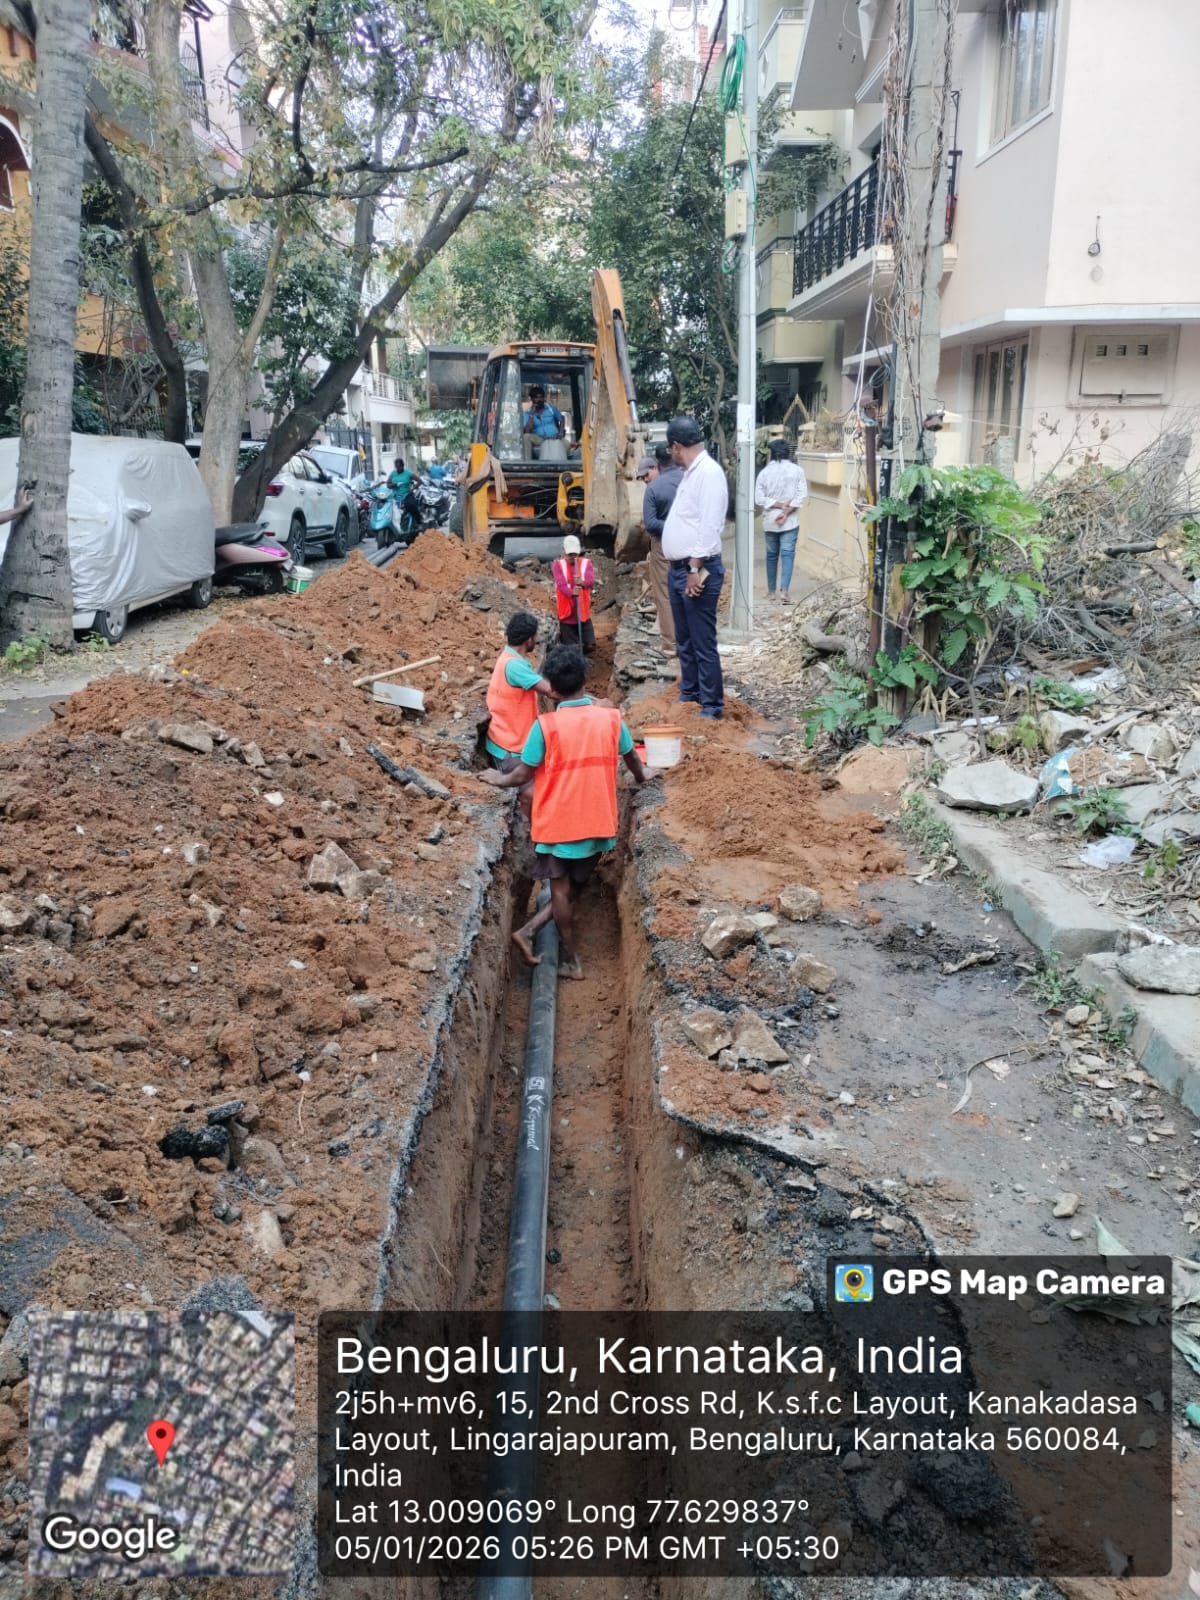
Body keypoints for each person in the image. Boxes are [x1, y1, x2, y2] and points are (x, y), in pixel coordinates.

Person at [478, 645, 651, 979]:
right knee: (575, 886)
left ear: (552, 689)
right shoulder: (611, 719)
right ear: (585, 679)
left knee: (560, 890)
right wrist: (646, 776)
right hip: (598, 823)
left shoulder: (545, 727)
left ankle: (569, 958)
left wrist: (495, 777)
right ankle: (532, 933)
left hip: (557, 826)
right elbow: (632, 759)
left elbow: (520, 775)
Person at [661, 414, 728, 720]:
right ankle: (691, 693)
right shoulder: (691, 472)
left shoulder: (709, 473)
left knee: (702, 642)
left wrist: (692, 569)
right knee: (684, 639)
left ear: (676, 446)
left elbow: (710, 526)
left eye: (670, 448)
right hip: (679, 569)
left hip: (697, 569)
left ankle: (712, 706)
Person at [485, 613, 552, 767]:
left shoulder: (507, 657)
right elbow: (549, 690)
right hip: (509, 749)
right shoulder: (515, 667)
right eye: (535, 636)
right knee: (537, 789)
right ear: (529, 639)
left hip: (501, 740)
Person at [640, 443, 682, 657]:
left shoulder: (654, 489)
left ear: (657, 464)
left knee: (664, 593)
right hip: (691, 543)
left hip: (663, 544)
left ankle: (671, 645)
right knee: (690, 589)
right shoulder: (689, 480)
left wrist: (672, 526)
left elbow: (650, 523)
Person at [754, 438, 808, 605]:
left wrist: (777, 506)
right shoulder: (797, 471)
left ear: (771, 453)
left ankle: (771, 592)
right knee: (787, 555)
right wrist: (786, 511)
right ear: (788, 453)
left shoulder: (764, 473)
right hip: (790, 521)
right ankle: (784, 591)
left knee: (771, 556)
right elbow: (802, 495)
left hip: (770, 520)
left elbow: (759, 498)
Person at [552, 534, 596, 653]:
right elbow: (561, 584)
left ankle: (584, 651)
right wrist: (571, 593)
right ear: (564, 552)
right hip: (566, 614)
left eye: (574, 554)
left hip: (582, 612)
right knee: (570, 649)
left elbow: (591, 581)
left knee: (590, 646)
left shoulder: (586, 563)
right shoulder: (558, 565)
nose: (572, 557)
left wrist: (582, 582)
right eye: (569, 554)